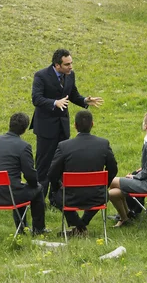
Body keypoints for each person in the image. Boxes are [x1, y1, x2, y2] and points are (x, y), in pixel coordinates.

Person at [31, 48, 103, 202]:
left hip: (62, 126)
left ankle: (56, 198)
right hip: (46, 127)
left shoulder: (70, 76)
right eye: (67, 64)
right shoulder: (41, 76)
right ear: (57, 65)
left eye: (71, 63)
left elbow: (73, 95)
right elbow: (36, 99)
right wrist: (54, 103)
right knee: (44, 164)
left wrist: (84, 100)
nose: (71, 67)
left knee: (60, 164)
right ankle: (38, 200)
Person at [48, 110, 117, 237]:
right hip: (97, 195)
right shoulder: (103, 144)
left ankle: (79, 226)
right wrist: (104, 186)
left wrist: (57, 187)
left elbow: (52, 173)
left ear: (74, 125)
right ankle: (82, 225)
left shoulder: (64, 146)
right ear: (92, 124)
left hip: (70, 197)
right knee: (104, 195)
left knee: (54, 196)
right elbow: (113, 169)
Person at [0, 112, 49, 235]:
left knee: (19, 188)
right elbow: (30, 174)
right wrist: (34, 184)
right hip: (11, 197)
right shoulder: (23, 146)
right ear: (25, 129)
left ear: (9, 124)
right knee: (37, 189)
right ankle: (38, 229)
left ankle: (22, 228)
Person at [109, 113, 147, 227]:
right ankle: (126, 217)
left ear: (146, 126)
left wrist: (134, 176)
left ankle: (124, 215)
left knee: (111, 181)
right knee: (112, 193)